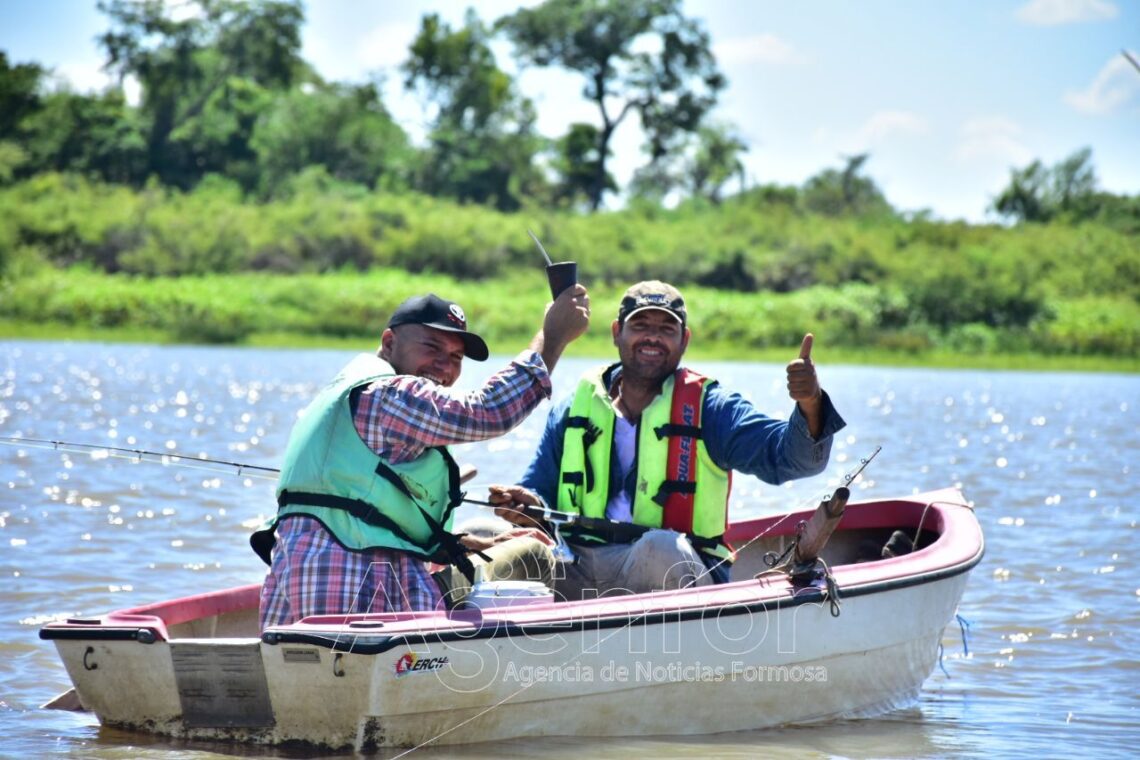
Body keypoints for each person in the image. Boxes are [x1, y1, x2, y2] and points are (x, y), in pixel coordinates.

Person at [253, 288, 590, 628]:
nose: (445, 366)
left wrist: (453, 545)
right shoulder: (388, 394)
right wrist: (553, 336)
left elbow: (364, 511)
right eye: (432, 347)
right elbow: (488, 412)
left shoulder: (348, 391)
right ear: (389, 342)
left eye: (457, 358)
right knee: (530, 559)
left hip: (304, 568)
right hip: (349, 576)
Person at [489, 280, 845, 600]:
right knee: (487, 536)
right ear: (617, 333)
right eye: (640, 326)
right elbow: (539, 490)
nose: (652, 337)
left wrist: (810, 403)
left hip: (674, 568)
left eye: (666, 328)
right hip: (579, 565)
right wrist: (525, 504)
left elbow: (793, 460)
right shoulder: (574, 409)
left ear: (684, 340)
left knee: (659, 548)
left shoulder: (713, 408)